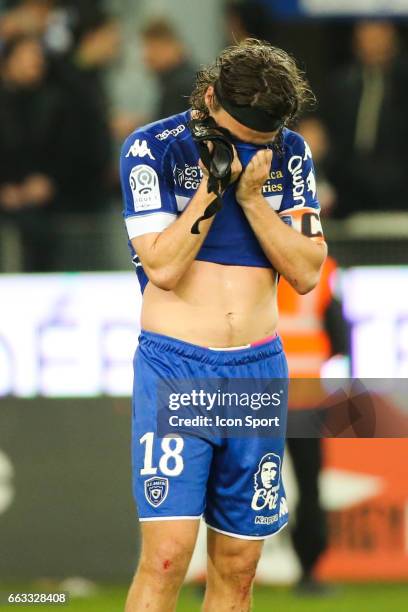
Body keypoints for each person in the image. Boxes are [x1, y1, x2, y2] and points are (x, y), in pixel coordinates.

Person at [120, 39, 327, 611]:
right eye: (236, 135)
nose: (246, 150)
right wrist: (212, 189)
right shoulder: (152, 148)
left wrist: (256, 201)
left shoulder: (291, 152)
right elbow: (162, 266)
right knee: (167, 554)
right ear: (209, 98)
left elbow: (308, 272)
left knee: (238, 565)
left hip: (257, 372)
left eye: (257, 143)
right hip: (178, 366)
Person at [0, 34, 112, 271]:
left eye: (38, 57)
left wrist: (47, 181)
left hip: (54, 207)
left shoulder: (57, 101)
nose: (35, 62)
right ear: (8, 62)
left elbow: (73, 150)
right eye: (27, 56)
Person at [278, 256, 347, 595]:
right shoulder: (321, 266)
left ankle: (220, 571)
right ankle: (309, 572)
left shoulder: (243, 260)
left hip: (254, 395)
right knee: (309, 485)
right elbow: (339, 335)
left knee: (237, 481)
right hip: (305, 394)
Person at [324, 20, 408, 218]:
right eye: (364, 31)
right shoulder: (341, 84)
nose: (371, 39)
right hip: (350, 190)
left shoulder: (404, 82)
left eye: (378, 30)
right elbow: (327, 133)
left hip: (400, 189)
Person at [140, 18, 197, 122]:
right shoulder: (187, 78)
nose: (147, 56)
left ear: (172, 46)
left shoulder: (180, 86)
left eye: (153, 48)